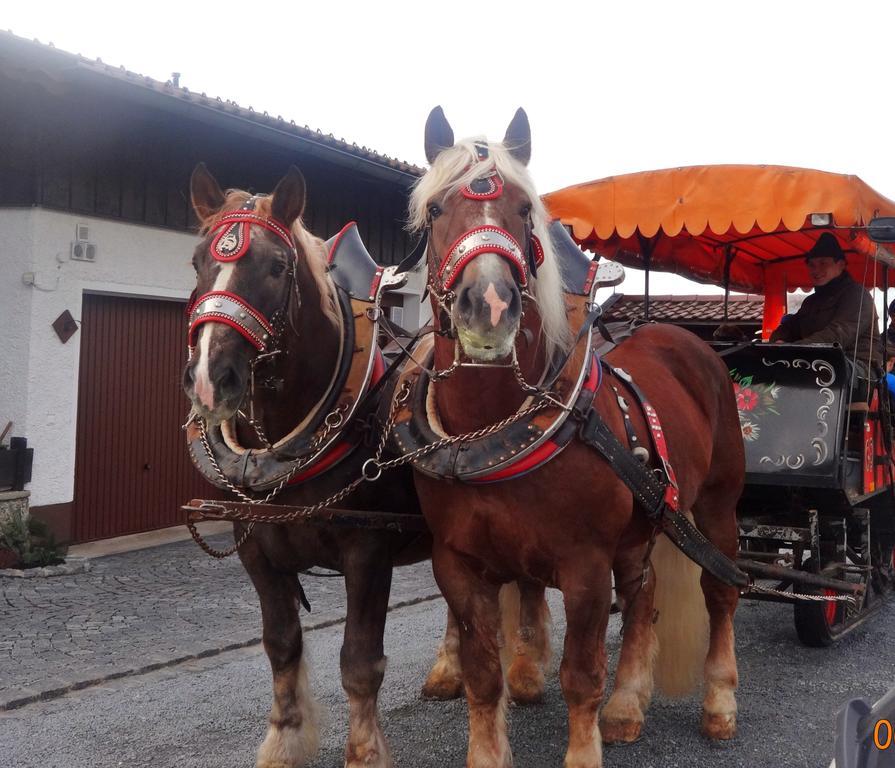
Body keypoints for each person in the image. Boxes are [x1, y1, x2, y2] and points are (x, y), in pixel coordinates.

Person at [769, 232, 881, 378]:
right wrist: (777, 342)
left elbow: (837, 334)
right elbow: (790, 327)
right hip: (813, 360)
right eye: (812, 265)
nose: (816, 270)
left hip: (858, 369)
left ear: (840, 265)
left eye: (823, 263)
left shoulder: (857, 295)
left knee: (819, 371)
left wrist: (794, 349)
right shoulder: (810, 302)